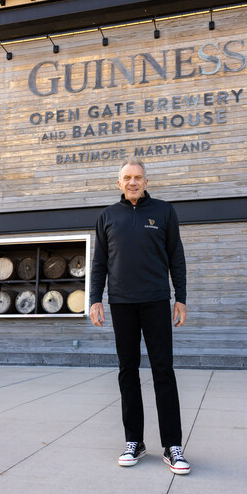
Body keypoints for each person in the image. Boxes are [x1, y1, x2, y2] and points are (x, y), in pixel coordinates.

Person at [89, 158, 190, 475]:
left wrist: (181, 299)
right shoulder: (107, 217)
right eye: (127, 178)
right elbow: (99, 263)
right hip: (121, 303)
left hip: (156, 301)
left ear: (146, 182)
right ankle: (135, 441)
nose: (133, 182)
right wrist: (95, 299)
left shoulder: (163, 211)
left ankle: (172, 446)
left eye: (138, 177)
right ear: (118, 183)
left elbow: (177, 256)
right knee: (127, 371)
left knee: (163, 370)